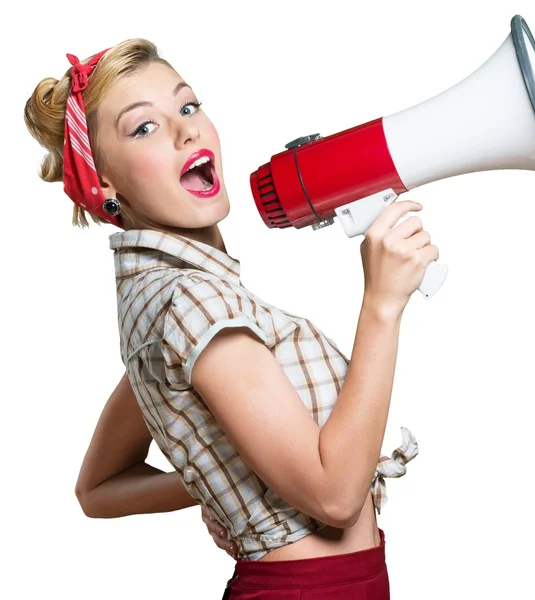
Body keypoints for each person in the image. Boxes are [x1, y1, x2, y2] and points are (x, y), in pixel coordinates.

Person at [23, 39, 438, 599]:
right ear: (104, 185)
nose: (186, 130)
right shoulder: (193, 305)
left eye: (188, 106)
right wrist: (382, 306)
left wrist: (228, 480)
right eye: (143, 128)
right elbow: (336, 498)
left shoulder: (164, 302)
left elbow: (99, 488)